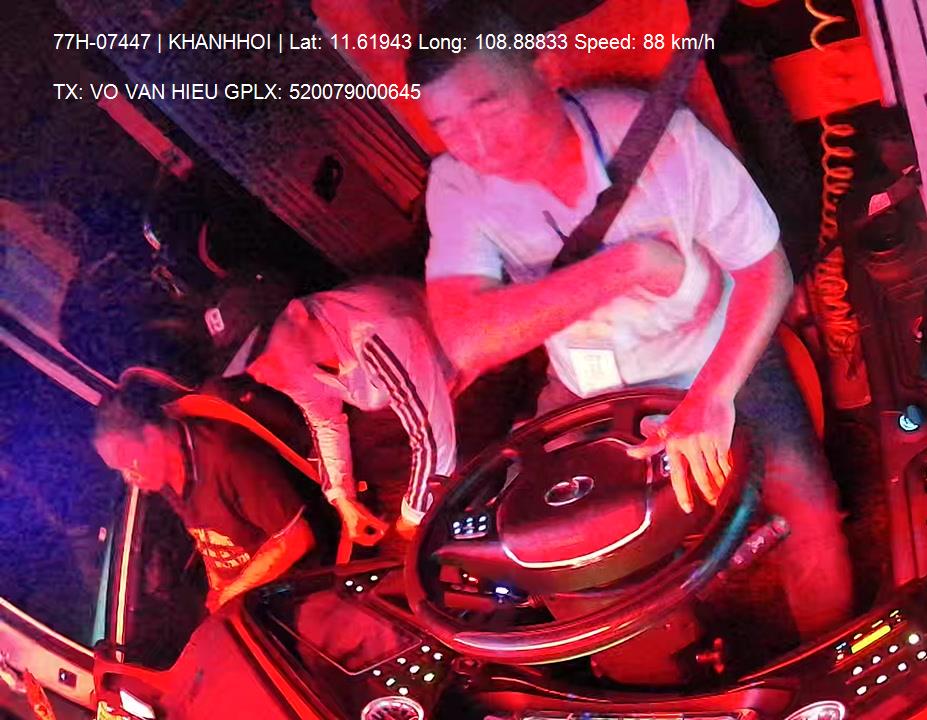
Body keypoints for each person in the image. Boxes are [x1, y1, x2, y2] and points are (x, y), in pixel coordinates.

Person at [408, 4, 854, 638]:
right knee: (548, 548)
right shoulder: (456, 182)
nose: (475, 145)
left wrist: (711, 397)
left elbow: (767, 271)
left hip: (713, 351)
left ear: (545, 70)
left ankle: (824, 659)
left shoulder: (662, 138)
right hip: (585, 381)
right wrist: (630, 265)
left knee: (809, 511)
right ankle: (668, 676)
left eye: (488, 106)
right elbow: (466, 337)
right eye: (446, 125)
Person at [247, 277, 457, 548]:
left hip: (463, 373)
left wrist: (414, 515)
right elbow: (325, 423)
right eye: (248, 368)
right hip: (403, 405)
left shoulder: (375, 331)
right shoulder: (290, 364)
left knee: (432, 534)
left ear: (297, 314)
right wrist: (342, 497)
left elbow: (433, 436)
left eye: (262, 351)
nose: (258, 374)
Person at [92, 374, 316, 613]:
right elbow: (205, 534)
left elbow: (296, 537)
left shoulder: (227, 458)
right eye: (120, 470)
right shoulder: (164, 478)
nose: (129, 478)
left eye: (128, 462)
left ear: (153, 437)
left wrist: (231, 593)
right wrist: (219, 586)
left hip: (299, 593)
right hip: (249, 600)